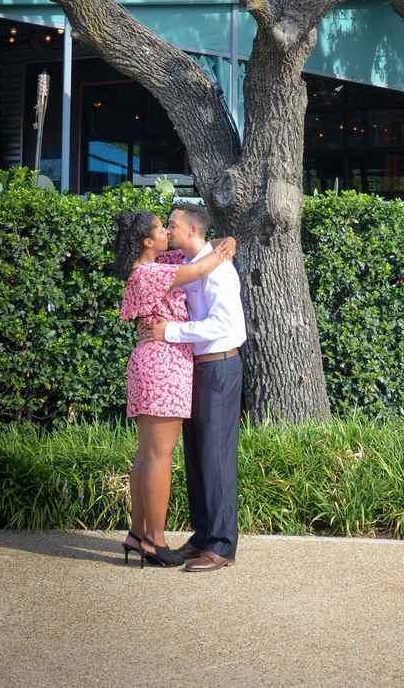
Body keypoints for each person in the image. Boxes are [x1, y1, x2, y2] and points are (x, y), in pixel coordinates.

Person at [114, 209, 234, 568]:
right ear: (148, 241)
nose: (167, 231)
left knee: (146, 455)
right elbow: (199, 268)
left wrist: (227, 241)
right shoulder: (152, 273)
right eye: (160, 228)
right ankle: (155, 541)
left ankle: (137, 534)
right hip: (162, 366)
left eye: (170, 226)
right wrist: (226, 247)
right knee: (158, 457)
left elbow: (200, 249)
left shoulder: (155, 262)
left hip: (151, 363)